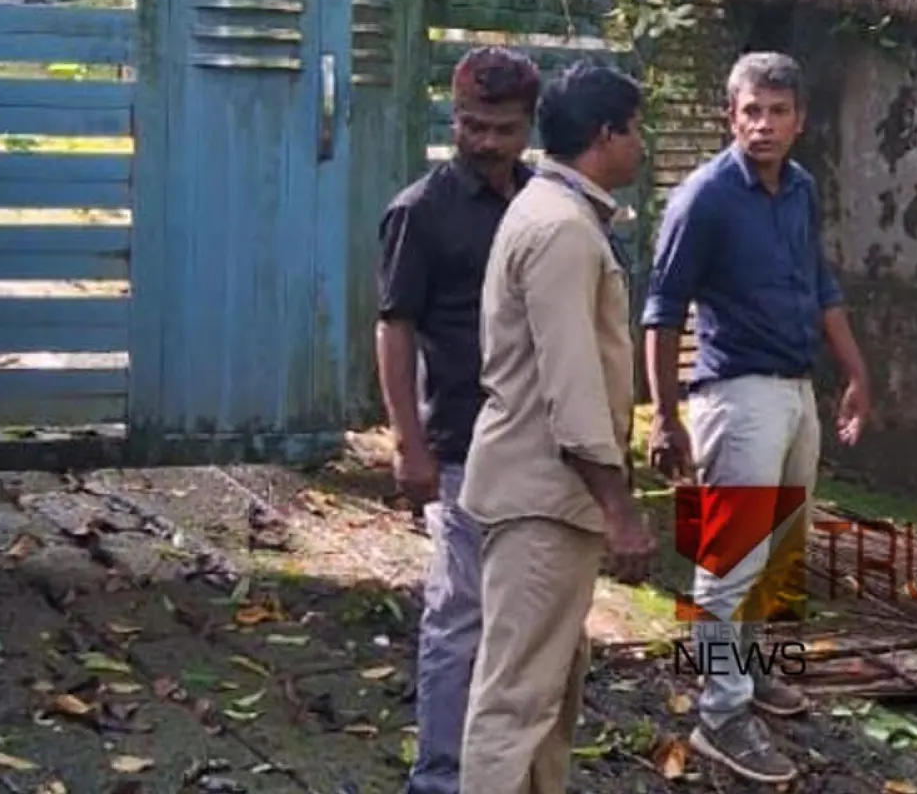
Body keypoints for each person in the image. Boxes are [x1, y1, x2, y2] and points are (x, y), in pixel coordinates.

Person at [641, 50, 874, 785]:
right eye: (750, 112)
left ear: (799, 120)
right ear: (729, 116)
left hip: (794, 388)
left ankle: (751, 677)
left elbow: (821, 284)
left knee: (775, 555)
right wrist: (662, 417)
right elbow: (662, 311)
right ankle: (719, 715)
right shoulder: (704, 198)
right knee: (727, 563)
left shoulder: (800, 189)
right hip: (733, 395)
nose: (762, 125)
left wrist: (857, 373)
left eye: (776, 112)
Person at [458, 62, 656, 794]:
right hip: (541, 492)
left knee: (548, 691)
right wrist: (621, 513)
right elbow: (571, 392)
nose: (642, 145)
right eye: (636, 130)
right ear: (606, 136)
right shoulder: (561, 229)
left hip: (544, 492)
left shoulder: (551, 212)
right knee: (517, 700)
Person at [374, 45, 541, 794]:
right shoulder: (421, 210)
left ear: (528, 127)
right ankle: (437, 776)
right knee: (457, 615)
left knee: (524, 620)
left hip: (538, 441)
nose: (485, 142)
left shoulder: (542, 203)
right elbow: (394, 327)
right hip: (462, 439)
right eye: (472, 125)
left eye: (502, 129)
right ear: (453, 117)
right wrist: (406, 443)